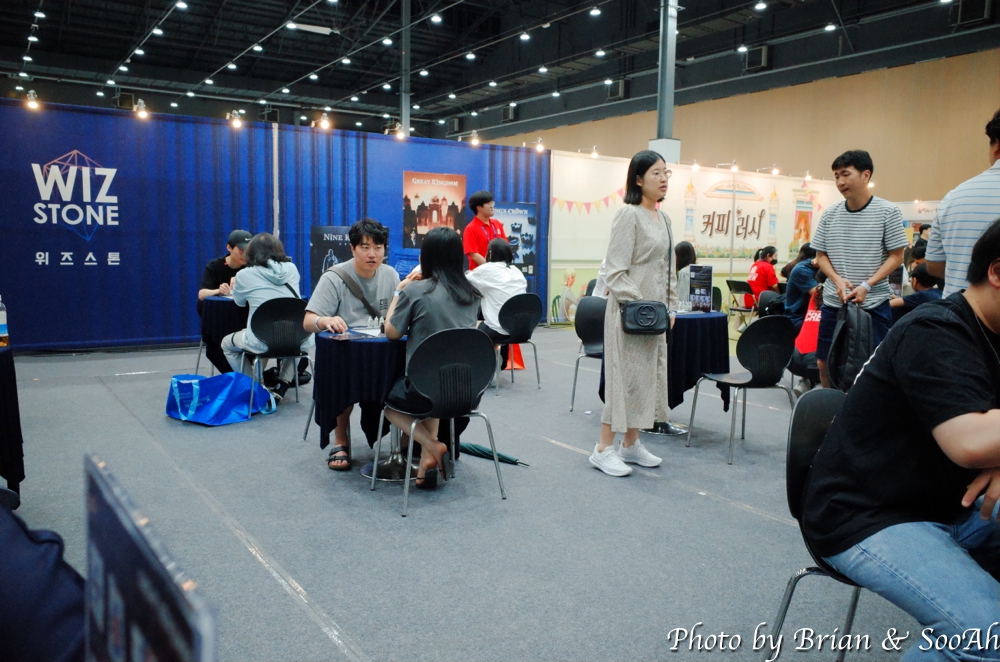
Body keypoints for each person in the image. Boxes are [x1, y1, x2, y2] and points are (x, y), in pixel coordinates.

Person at [800, 218, 1000, 661]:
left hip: (950, 499)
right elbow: (970, 441)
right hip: (868, 513)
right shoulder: (935, 331)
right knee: (990, 635)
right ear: (997, 272)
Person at [590, 150, 678, 477]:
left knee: (646, 378)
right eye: (656, 173)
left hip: (654, 316)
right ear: (638, 180)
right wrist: (643, 306)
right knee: (623, 379)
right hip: (629, 314)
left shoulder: (664, 219)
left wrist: (669, 306)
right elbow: (615, 271)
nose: (663, 178)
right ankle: (602, 449)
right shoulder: (628, 215)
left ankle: (630, 444)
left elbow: (668, 269)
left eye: (666, 172)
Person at [383, 227, 482, 489]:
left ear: (425, 256)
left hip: (424, 384)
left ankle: (432, 445)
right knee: (434, 387)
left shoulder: (416, 291)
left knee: (390, 408)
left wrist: (399, 290)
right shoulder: (472, 293)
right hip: (465, 387)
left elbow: (391, 332)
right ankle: (427, 460)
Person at [303, 219, 400, 471]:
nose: (372, 254)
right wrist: (325, 320)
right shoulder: (334, 277)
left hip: (380, 354)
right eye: (365, 247)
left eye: (378, 247)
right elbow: (308, 321)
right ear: (353, 248)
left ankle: (403, 441)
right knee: (340, 381)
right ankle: (341, 441)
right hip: (345, 354)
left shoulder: (391, 275)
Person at [811, 150, 908, 388]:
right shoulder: (830, 214)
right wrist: (836, 279)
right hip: (835, 302)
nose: (840, 182)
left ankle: (859, 410)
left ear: (866, 175)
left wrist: (867, 285)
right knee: (824, 362)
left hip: (873, 303)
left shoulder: (888, 211)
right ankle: (830, 407)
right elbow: (820, 256)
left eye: (845, 174)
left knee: (870, 367)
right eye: (836, 176)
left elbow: (897, 256)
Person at [221, 233, 314, 402]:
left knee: (226, 344)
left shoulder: (244, 274)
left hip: (260, 338)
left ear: (251, 252)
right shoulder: (292, 269)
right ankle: (282, 385)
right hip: (297, 336)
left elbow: (240, 303)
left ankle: (255, 388)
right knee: (296, 343)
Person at [927, 109, 1000, 296]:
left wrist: (961, 268)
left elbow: (933, 265)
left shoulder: (954, 197)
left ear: (996, 146)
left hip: (959, 307)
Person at [465, 238, 527, 368]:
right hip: (522, 330)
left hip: (499, 330)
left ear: (490, 254)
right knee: (499, 320)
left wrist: (469, 273)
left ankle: (486, 366)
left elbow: (464, 281)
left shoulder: (486, 270)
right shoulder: (517, 271)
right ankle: (499, 362)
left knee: (480, 328)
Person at [196, 229, 251, 373]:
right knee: (216, 347)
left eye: (248, 251)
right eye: (241, 250)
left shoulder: (251, 269)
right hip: (219, 322)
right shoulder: (214, 266)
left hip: (243, 320)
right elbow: (201, 294)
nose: (245, 255)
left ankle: (247, 377)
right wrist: (217, 291)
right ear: (229, 248)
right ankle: (237, 377)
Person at [462, 190, 507, 271]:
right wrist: (491, 269)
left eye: (492, 203)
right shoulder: (470, 229)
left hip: (499, 272)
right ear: (479, 207)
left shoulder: (497, 224)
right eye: (488, 204)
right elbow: (474, 255)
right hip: (480, 274)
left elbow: (505, 247)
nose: (492, 206)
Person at [783, 243, 818, 332]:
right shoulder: (802, 269)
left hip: (808, 315)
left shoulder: (795, 264)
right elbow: (818, 294)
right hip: (798, 319)